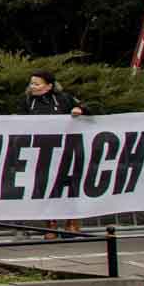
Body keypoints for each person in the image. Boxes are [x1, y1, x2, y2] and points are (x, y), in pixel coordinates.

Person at [22, 70, 91, 236]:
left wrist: (79, 110)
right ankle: (50, 224)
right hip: (41, 151)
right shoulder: (27, 101)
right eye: (31, 83)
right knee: (45, 186)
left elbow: (88, 110)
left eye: (37, 84)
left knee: (70, 185)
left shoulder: (63, 98)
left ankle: (71, 222)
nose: (33, 87)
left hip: (66, 150)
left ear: (49, 86)